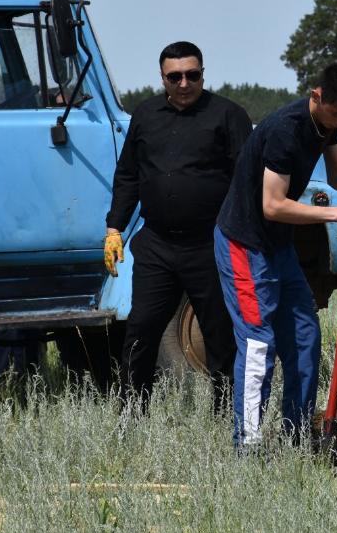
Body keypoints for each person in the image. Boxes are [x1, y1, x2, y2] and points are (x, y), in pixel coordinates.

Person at [215, 63, 337, 449]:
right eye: (335, 112)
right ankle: (248, 447)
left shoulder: (329, 125)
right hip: (245, 243)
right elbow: (273, 205)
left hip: (278, 246)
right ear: (316, 95)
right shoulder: (285, 131)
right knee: (258, 343)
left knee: (305, 336)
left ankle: (298, 437)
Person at [106, 41, 253, 413]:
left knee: (219, 335)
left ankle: (227, 417)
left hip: (210, 245)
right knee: (140, 330)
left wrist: (245, 236)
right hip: (156, 245)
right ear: (162, 78)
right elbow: (127, 175)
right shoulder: (145, 115)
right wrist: (115, 229)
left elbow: (247, 181)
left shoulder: (228, 115)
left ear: (203, 74)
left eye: (193, 75)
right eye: (175, 77)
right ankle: (131, 416)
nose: (184, 83)